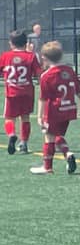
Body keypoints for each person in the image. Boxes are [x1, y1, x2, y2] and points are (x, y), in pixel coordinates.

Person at [31, 41, 77, 175]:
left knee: (49, 136)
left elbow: (43, 98)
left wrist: (39, 116)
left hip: (54, 111)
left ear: (44, 58)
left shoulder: (46, 75)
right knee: (57, 135)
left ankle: (48, 166)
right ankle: (67, 155)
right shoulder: (70, 71)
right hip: (69, 109)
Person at [0, 29, 43, 157]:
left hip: (12, 92)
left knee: (9, 118)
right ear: (26, 42)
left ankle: (12, 134)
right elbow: (39, 73)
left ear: (11, 43)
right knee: (25, 118)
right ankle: (24, 143)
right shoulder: (31, 56)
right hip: (27, 92)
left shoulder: (6, 56)